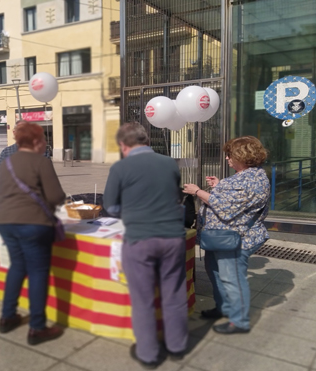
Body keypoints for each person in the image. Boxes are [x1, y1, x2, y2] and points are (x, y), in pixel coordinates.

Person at [103, 123, 188, 368]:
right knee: (174, 294)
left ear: (123, 145)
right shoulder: (170, 163)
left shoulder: (120, 167)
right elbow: (174, 195)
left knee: (143, 299)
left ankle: (149, 354)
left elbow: (112, 207)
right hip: (172, 237)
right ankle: (177, 346)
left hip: (139, 239)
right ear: (147, 140)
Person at [183, 135, 269, 334]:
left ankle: (238, 321)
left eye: (230, 155)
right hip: (221, 237)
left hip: (235, 239)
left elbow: (225, 207)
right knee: (214, 271)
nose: (227, 159)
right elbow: (235, 197)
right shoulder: (248, 176)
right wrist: (220, 185)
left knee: (232, 279)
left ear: (242, 155)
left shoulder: (251, 179)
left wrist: (197, 191)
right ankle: (223, 308)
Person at [0, 122, 66, 346]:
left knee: (17, 266)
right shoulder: (41, 162)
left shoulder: (6, 163)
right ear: (36, 141)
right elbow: (56, 197)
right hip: (34, 224)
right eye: (44, 140)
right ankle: (37, 327)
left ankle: (7, 317)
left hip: (5, 222)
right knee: (38, 272)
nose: (45, 144)